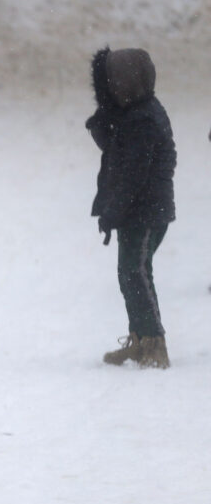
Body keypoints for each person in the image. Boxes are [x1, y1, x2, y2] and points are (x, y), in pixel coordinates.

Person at [87, 47, 175, 369]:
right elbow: (115, 150)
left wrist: (113, 211)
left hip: (145, 212)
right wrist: (104, 119)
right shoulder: (135, 115)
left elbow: (132, 176)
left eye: (112, 84)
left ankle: (154, 343)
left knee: (133, 273)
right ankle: (140, 338)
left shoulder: (143, 120)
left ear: (125, 84)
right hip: (138, 211)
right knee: (135, 273)